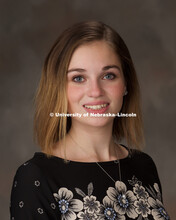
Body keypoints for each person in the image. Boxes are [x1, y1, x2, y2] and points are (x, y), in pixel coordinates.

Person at [10, 21, 170, 220]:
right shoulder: (35, 177)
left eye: (108, 75)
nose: (96, 92)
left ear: (125, 84)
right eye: (78, 78)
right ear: (58, 88)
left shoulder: (144, 165)